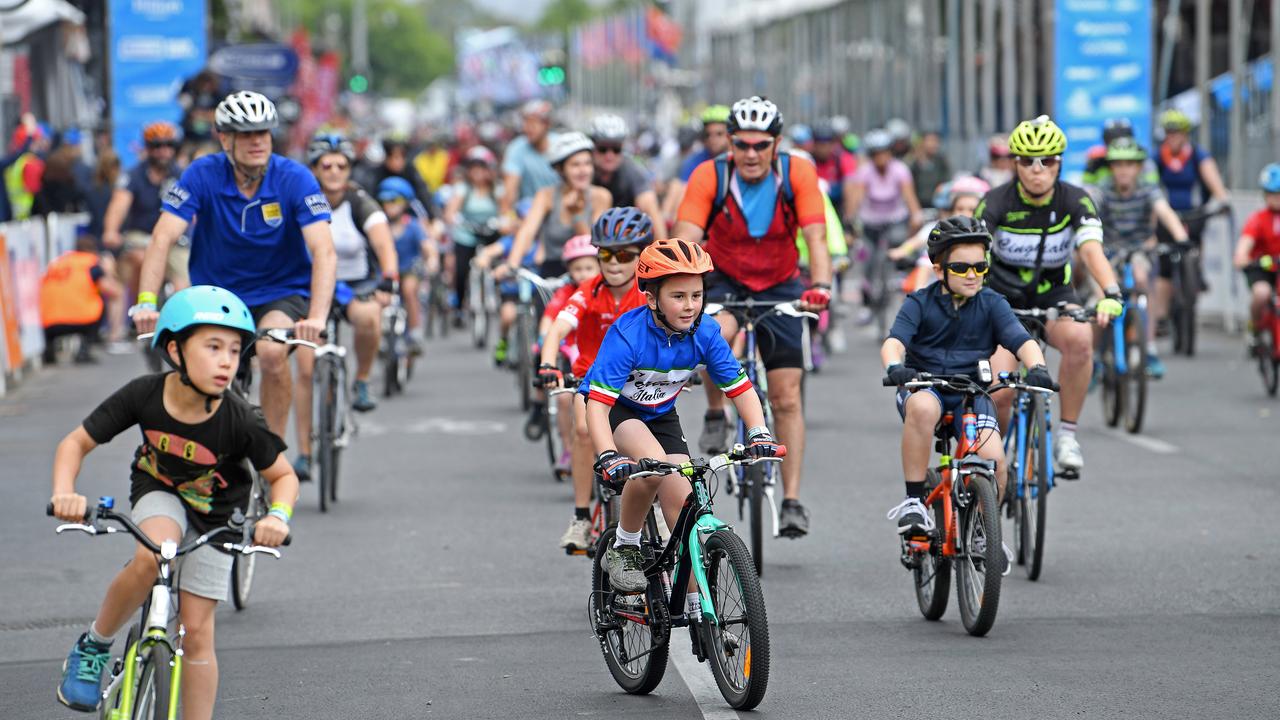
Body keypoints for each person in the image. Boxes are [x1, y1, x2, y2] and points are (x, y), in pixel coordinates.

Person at [50, 285, 297, 719]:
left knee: (198, 632)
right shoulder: (145, 394)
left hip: (220, 512)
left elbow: (283, 476)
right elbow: (76, 442)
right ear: (175, 349)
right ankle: (95, 645)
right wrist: (64, 492)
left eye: (236, 350)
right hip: (159, 488)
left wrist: (277, 515)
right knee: (152, 556)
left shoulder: (240, 418)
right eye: (213, 347)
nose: (226, 361)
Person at [131, 91, 337, 452]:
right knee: (200, 369)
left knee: (272, 354)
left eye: (263, 132)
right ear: (225, 139)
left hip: (280, 292)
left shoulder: (295, 178)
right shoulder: (202, 174)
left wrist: (316, 317)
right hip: (218, 296)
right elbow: (162, 238)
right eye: (246, 133)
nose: (257, 141)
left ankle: (271, 457)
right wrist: (146, 303)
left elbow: (324, 250)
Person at [674, 95, 832, 538]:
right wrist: (679, 289)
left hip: (780, 283)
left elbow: (816, 237)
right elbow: (687, 237)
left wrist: (820, 285)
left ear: (776, 144)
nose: (750, 154)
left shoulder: (798, 172)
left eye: (761, 146)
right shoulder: (711, 175)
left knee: (785, 397)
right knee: (710, 334)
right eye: (741, 144)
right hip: (722, 277)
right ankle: (713, 413)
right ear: (729, 144)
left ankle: (792, 499)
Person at [584, 238, 782, 593]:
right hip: (620, 411)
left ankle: (700, 614)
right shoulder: (627, 336)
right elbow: (597, 406)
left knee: (683, 507)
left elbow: (740, 388)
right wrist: (607, 455)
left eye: (696, 295)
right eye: (678, 297)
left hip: (662, 415)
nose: (690, 306)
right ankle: (624, 547)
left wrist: (759, 433)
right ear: (651, 299)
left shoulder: (706, 332)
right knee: (651, 465)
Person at [880, 216, 1053, 538]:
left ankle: (985, 533)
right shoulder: (919, 302)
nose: (972, 275)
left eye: (980, 266)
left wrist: (1038, 367)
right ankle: (914, 500)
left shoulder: (992, 303)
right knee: (923, 409)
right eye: (960, 268)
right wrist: (895, 368)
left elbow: (1022, 340)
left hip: (971, 392)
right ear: (938, 270)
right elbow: (894, 342)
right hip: (924, 384)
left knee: (995, 460)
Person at [977, 115, 1123, 476]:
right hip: (1003, 303)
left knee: (1081, 339)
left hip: (1055, 298)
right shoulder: (994, 201)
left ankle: (1067, 435)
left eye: (1048, 160)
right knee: (1000, 393)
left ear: (1060, 162)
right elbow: (974, 252)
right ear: (1014, 163)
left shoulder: (1076, 200)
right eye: (1027, 160)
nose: (1037, 170)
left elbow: (1091, 251)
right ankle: (1003, 462)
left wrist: (1111, 291)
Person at [538, 208, 652, 551]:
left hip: (638, 382)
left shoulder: (648, 291)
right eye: (605, 254)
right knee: (584, 428)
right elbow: (559, 326)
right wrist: (547, 363)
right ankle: (582, 516)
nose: (614, 263)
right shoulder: (588, 290)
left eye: (624, 255)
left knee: (652, 445)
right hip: (590, 377)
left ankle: (655, 506)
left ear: (641, 257)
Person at [305, 133, 398, 425]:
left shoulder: (360, 202)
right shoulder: (302, 201)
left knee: (370, 317)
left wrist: (388, 279)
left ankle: (361, 380)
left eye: (341, 166)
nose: (334, 172)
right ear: (315, 169)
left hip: (354, 285)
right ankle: (308, 450)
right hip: (310, 286)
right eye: (327, 166)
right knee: (305, 365)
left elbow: (384, 244)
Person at [1089, 137, 1189, 379]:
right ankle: (1091, 359)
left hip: (1139, 250)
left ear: (1139, 167)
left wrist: (1181, 236)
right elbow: (1088, 208)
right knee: (1099, 298)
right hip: (1108, 251)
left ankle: (1149, 349)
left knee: (1143, 281)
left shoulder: (1148, 189)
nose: (1124, 170)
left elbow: (1164, 211)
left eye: (1130, 164)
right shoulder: (1102, 188)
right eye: (1118, 164)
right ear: (1111, 167)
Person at [1152, 108, 1231, 338]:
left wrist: (1223, 199)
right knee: (1165, 265)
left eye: (1178, 133)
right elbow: (1150, 186)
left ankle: (1197, 273)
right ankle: (1162, 316)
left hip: (1194, 214)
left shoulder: (1198, 155)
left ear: (1186, 134)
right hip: (1167, 215)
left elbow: (1213, 179)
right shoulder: (1158, 158)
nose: (1173, 137)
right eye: (1169, 133)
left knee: (1195, 244)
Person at [534, 234, 602, 482]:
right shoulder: (566, 293)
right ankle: (567, 448)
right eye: (577, 268)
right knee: (563, 399)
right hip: (567, 349)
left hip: (595, 353)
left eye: (588, 267)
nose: (583, 273)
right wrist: (544, 338)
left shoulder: (603, 292)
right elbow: (550, 320)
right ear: (569, 271)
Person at [499, 131, 611, 280]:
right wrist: (512, 264)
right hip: (553, 273)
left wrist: (577, 215)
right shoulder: (546, 196)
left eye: (587, 163)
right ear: (561, 169)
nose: (583, 170)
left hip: (588, 273)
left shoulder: (601, 196)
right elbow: (527, 231)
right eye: (575, 165)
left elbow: (594, 246)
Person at [102, 122, 187, 319]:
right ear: (148, 149)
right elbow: (119, 205)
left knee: (183, 282)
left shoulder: (182, 175)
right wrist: (111, 231)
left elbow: (195, 210)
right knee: (140, 258)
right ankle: (140, 313)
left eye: (168, 145)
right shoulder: (133, 176)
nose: (163, 151)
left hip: (175, 238)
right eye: (157, 146)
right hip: (141, 236)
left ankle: (179, 323)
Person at [847, 128, 925, 322]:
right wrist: (850, 221)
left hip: (894, 220)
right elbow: (855, 199)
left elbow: (909, 197)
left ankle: (896, 279)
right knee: (868, 261)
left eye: (884, 152)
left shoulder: (900, 170)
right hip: (870, 222)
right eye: (876, 154)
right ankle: (868, 300)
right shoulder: (865, 172)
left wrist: (916, 216)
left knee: (895, 247)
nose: (880, 158)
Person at [443, 145, 507, 321]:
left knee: (500, 265)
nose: (477, 173)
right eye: (473, 168)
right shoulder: (463, 188)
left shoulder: (497, 189)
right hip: (467, 234)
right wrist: (454, 218)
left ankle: (502, 296)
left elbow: (506, 211)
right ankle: (458, 306)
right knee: (461, 269)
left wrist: (503, 221)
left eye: (481, 168)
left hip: (491, 233)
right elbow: (451, 210)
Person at [39, 234, 123, 364]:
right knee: (99, 300)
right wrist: (110, 272)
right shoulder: (91, 264)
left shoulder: (58, 263)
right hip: (81, 320)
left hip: (49, 322)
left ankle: (49, 351)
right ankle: (85, 348)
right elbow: (113, 291)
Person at [380, 176, 439, 352]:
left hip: (409, 270)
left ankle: (414, 331)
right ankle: (381, 335)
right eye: (385, 200)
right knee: (379, 299)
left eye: (394, 200)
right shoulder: (380, 225)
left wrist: (432, 260)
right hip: (386, 273)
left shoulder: (412, 225)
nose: (389, 205)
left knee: (409, 290)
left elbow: (427, 246)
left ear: (405, 202)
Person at [588, 113, 667, 241]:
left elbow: (650, 207)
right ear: (593, 148)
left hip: (626, 235)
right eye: (603, 149)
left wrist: (663, 249)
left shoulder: (632, 169)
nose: (609, 155)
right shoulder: (584, 169)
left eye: (616, 149)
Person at [662, 105, 732, 224]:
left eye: (719, 134)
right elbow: (680, 188)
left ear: (730, 135)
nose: (713, 139)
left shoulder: (739, 159)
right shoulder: (695, 159)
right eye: (708, 134)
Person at [1235, 164, 1280, 344]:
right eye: (1272, 194)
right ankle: (1254, 327)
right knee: (1262, 293)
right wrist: (1242, 257)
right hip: (1261, 267)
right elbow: (1244, 245)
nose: (1276, 199)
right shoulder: (1258, 219)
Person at [499, 99, 559, 216]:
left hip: (559, 211)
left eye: (533, 123)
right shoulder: (516, 149)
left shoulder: (560, 145)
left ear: (547, 124)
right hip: (528, 212)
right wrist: (506, 217)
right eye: (525, 123)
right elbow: (509, 191)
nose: (528, 128)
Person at [810, 121, 858, 223]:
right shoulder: (808, 159)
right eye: (820, 143)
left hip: (838, 206)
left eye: (827, 143)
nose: (823, 148)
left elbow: (850, 187)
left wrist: (849, 219)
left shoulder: (842, 158)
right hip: (813, 206)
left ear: (833, 144)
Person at [3, 115, 47, 221]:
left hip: (15, 215)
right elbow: (39, 193)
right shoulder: (30, 162)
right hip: (30, 216)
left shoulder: (15, 161)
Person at [910, 130, 952, 210]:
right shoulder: (914, 162)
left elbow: (946, 181)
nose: (933, 144)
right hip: (919, 205)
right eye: (930, 141)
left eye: (936, 141)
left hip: (937, 204)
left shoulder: (941, 161)